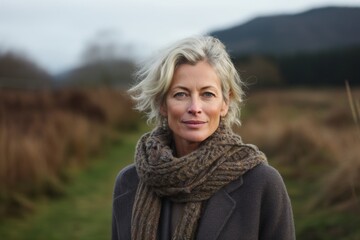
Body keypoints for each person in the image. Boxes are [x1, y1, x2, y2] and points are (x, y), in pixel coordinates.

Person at [112, 35, 295, 240]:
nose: (195, 108)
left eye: (207, 94)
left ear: (225, 103)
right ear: (162, 104)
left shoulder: (261, 183)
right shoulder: (129, 183)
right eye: (180, 94)